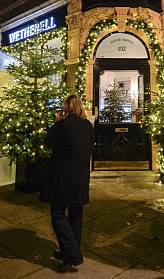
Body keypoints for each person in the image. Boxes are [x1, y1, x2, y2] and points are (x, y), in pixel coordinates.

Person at [39, 95, 94, 272]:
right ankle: (69, 252)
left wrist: (56, 122)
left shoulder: (62, 125)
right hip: (81, 177)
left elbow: (48, 142)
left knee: (57, 213)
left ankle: (72, 255)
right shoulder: (87, 126)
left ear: (66, 107)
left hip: (62, 176)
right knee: (76, 215)